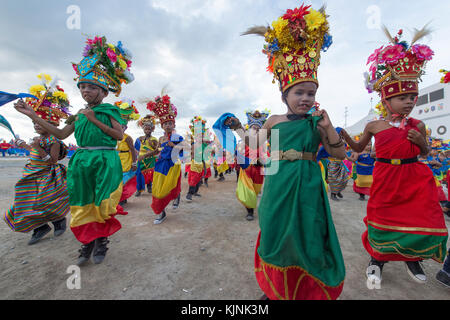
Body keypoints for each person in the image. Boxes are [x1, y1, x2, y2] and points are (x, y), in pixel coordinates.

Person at [223, 4, 346, 300]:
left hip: (307, 182)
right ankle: (276, 287)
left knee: (306, 233)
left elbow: (338, 155)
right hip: (278, 181)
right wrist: (240, 127)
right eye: (299, 93)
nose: (305, 98)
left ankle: (305, 288)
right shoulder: (274, 121)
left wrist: (328, 127)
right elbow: (252, 145)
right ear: (284, 95)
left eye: (311, 93)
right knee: (276, 230)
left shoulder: (317, 121)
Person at [340, 26, 448, 285]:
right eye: (402, 97)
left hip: (414, 178)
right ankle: (377, 260)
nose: (410, 101)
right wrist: (344, 135)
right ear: (386, 100)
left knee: (417, 218)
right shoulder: (374, 126)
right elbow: (357, 150)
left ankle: (413, 258)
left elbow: (425, 153)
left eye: (412, 96)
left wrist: (422, 142)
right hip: (386, 176)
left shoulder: (418, 126)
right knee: (382, 220)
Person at [14, 36, 134, 266]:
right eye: (82, 86)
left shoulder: (109, 110)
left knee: (102, 203)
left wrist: (95, 120)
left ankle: (101, 241)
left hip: (105, 160)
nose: (85, 91)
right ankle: (87, 242)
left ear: (104, 92)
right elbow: (60, 134)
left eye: (91, 87)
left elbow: (118, 136)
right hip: (81, 161)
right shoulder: (78, 114)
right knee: (83, 202)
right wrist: (32, 115)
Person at [5, 74, 70, 245]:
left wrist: (39, 148)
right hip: (31, 174)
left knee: (45, 202)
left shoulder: (53, 141)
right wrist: (24, 146)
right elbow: (32, 153)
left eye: (40, 122)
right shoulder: (37, 139)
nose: (36, 125)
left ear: (52, 125)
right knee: (26, 200)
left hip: (47, 177)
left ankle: (58, 222)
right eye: (35, 123)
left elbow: (51, 161)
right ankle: (40, 227)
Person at [146, 92, 184, 223]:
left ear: (173, 124)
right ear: (162, 126)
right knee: (157, 190)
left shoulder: (177, 137)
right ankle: (160, 212)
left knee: (169, 187)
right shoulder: (161, 138)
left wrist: (173, 145)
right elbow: (157, 150)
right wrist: (145, 155)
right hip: (160, 165)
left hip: (172, 165)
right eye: (165, 124)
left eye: (170, 123)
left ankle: (176, 196)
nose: (167, 125)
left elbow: (185, 150)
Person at [234, 110, 270, 221]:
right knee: (247, 191)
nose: (256, 130)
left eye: (259, 129)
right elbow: (238, 153)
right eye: (254, 128)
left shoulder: (264, 143)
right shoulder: (244, 142)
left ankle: (251, 206)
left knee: (255, 190)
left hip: (259, 170)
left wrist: (264, 161)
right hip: (247, 169)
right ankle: (250, 211)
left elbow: (267, 156)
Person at [115, 100, 140, 206]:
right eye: (118, 126)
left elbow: (133, 151)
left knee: (123, 180)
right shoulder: (113, 136)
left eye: (122, 127)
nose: (120, 128)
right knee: (116, 180)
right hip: (116, 158)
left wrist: (134, 163)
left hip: (126, 159)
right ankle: (120, 198)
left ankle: (122, 198)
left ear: (125, 128)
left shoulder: (128, 138)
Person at [135, 115, 159, 197]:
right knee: (139, 174)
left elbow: (157, 150)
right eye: (146, 129)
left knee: (150, 174)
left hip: (150, 159)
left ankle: (149, 186)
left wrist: (149, 152)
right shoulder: (140, 138)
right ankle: (139, 189)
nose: (147, 130)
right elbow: (136, 149)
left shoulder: (154, 140)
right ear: (143, 129)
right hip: (141, 159)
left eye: (149, 129)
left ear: (152, 129)